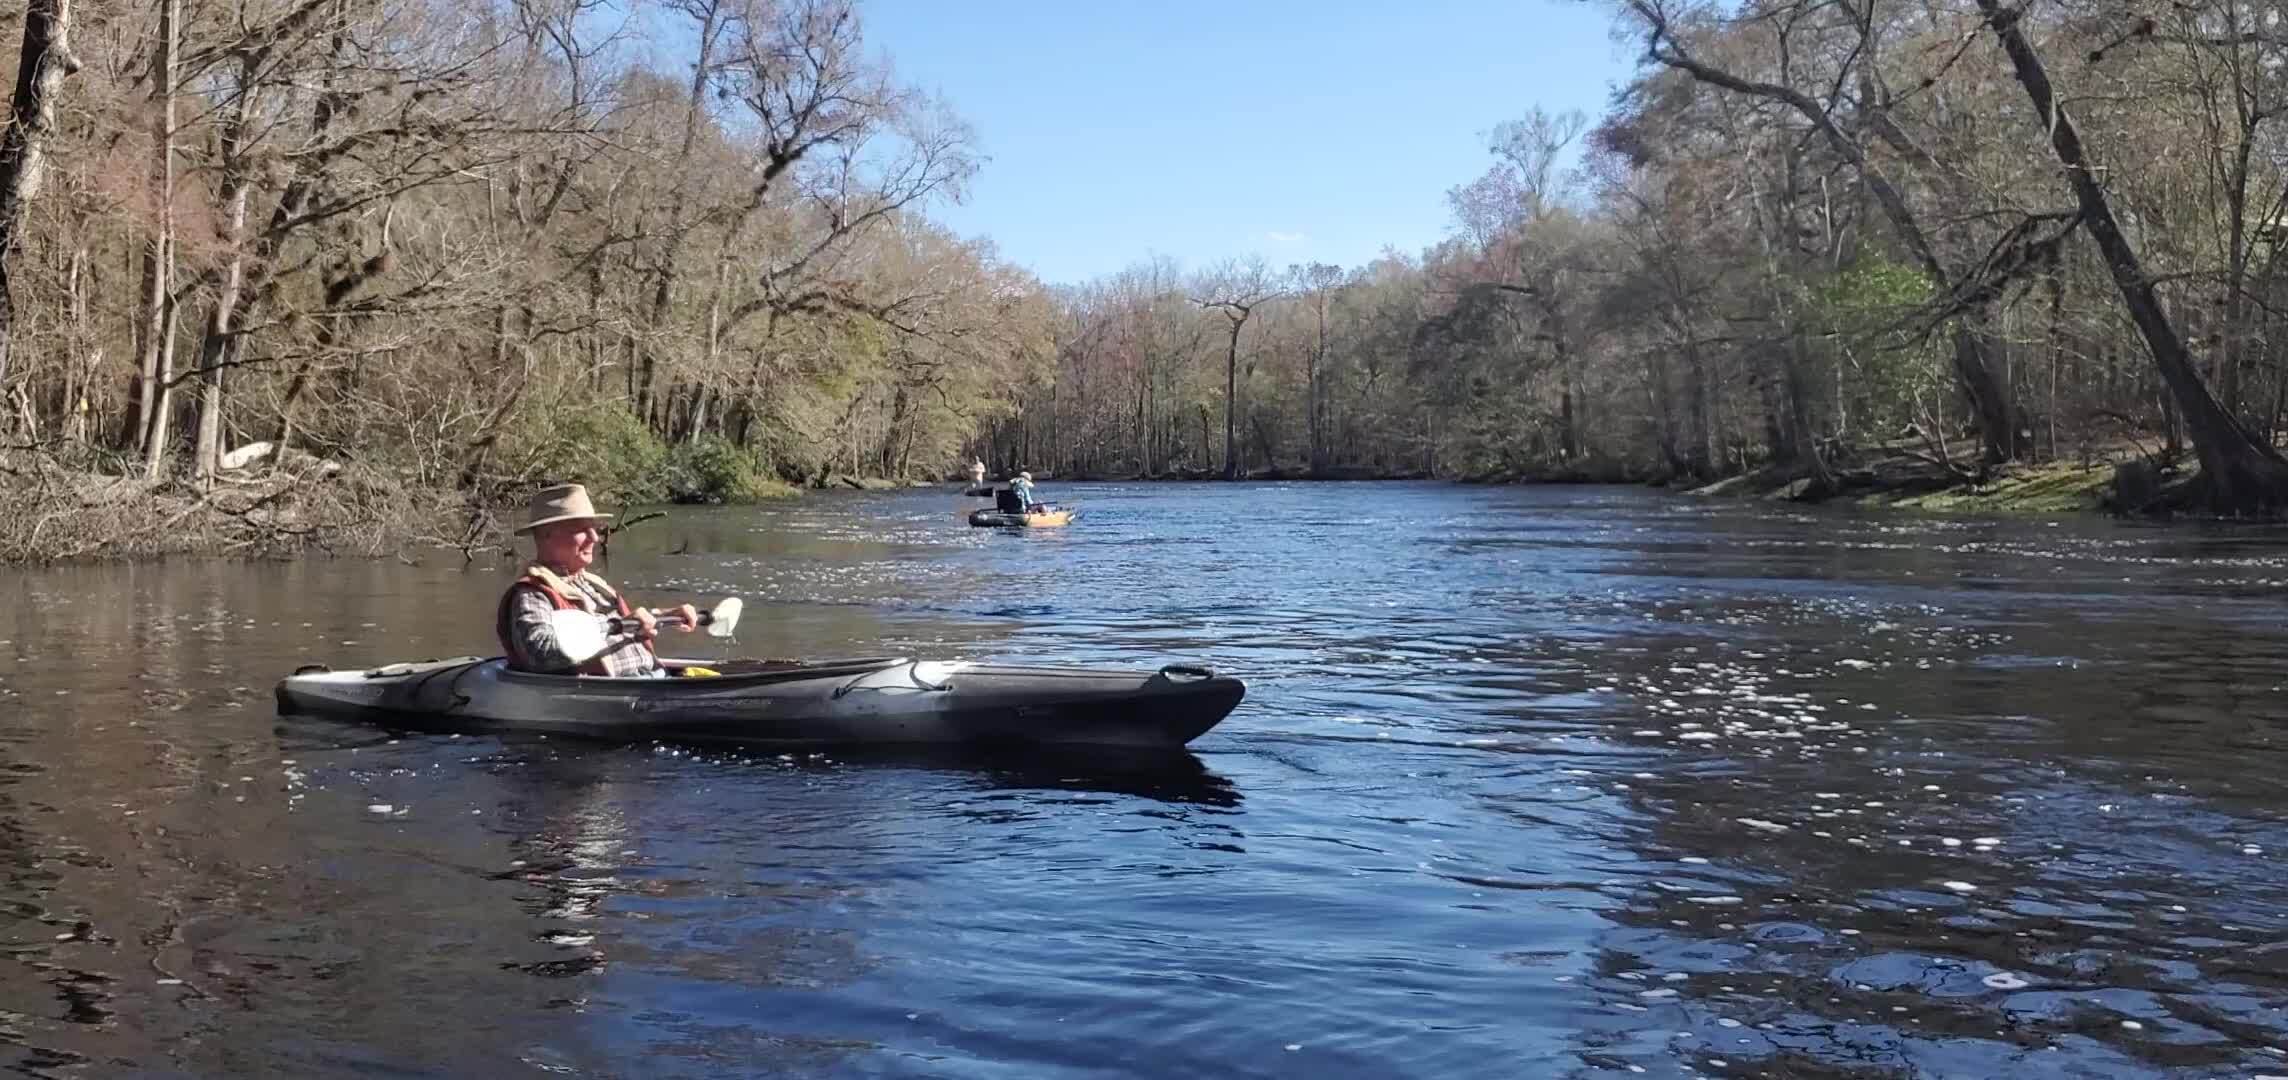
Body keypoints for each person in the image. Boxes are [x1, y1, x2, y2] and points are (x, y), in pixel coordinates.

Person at [496, 483, 697, 676]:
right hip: (618, 693)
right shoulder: (532, 594)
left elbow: (623, 623)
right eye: (582, 529)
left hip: (654, 677)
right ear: (547, 535)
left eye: (593, 528)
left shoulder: (592, 584)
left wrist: (664, 615)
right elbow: (539, 653)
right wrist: (618, 624)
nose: (594, 537)